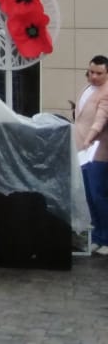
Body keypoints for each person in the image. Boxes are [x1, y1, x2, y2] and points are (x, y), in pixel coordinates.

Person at [76, 55, 108, 255]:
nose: (94, 76)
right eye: (91, 72)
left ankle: (106, 238)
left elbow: (100, 119)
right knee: (88, 194)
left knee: (99, 195)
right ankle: (97, 236)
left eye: (99, 73)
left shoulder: (106, 92)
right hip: (82, 150)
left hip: (98, 151)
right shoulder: (87, 88)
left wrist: (89, 138)